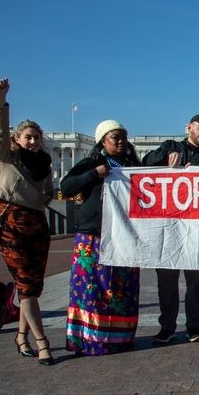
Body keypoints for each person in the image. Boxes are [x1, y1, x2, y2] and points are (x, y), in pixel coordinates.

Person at [143, 114, 199, 344]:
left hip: (196, 228)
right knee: (166, 281)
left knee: (195, 282)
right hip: (168, 227)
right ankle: (167, 326)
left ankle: (194, 327)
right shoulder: (171, 148)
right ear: (188, 127)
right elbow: (143, 167)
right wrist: (166, 166)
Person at [61, 120, 141, 355]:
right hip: (93, 235)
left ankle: (120, 338)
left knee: (121, 289)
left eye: (123, 137)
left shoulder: (132, 165)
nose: (120, 142)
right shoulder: (92, 163)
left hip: (123, 236)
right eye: (114, 137)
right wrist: (94, 174)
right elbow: (66, 188)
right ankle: (90, 339)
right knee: (92, 289)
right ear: (102, 141)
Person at [0, 78, 55, 365]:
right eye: (27, 137)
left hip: (37, 226)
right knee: (27, 287)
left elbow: (47, 195)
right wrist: (1, 100)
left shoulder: (45, 164)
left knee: (32, 286)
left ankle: (21, 337)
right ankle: (43, 343)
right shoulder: (6, 158)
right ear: (17, 139)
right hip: (12, 226)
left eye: (36, 137)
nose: (32, 141)